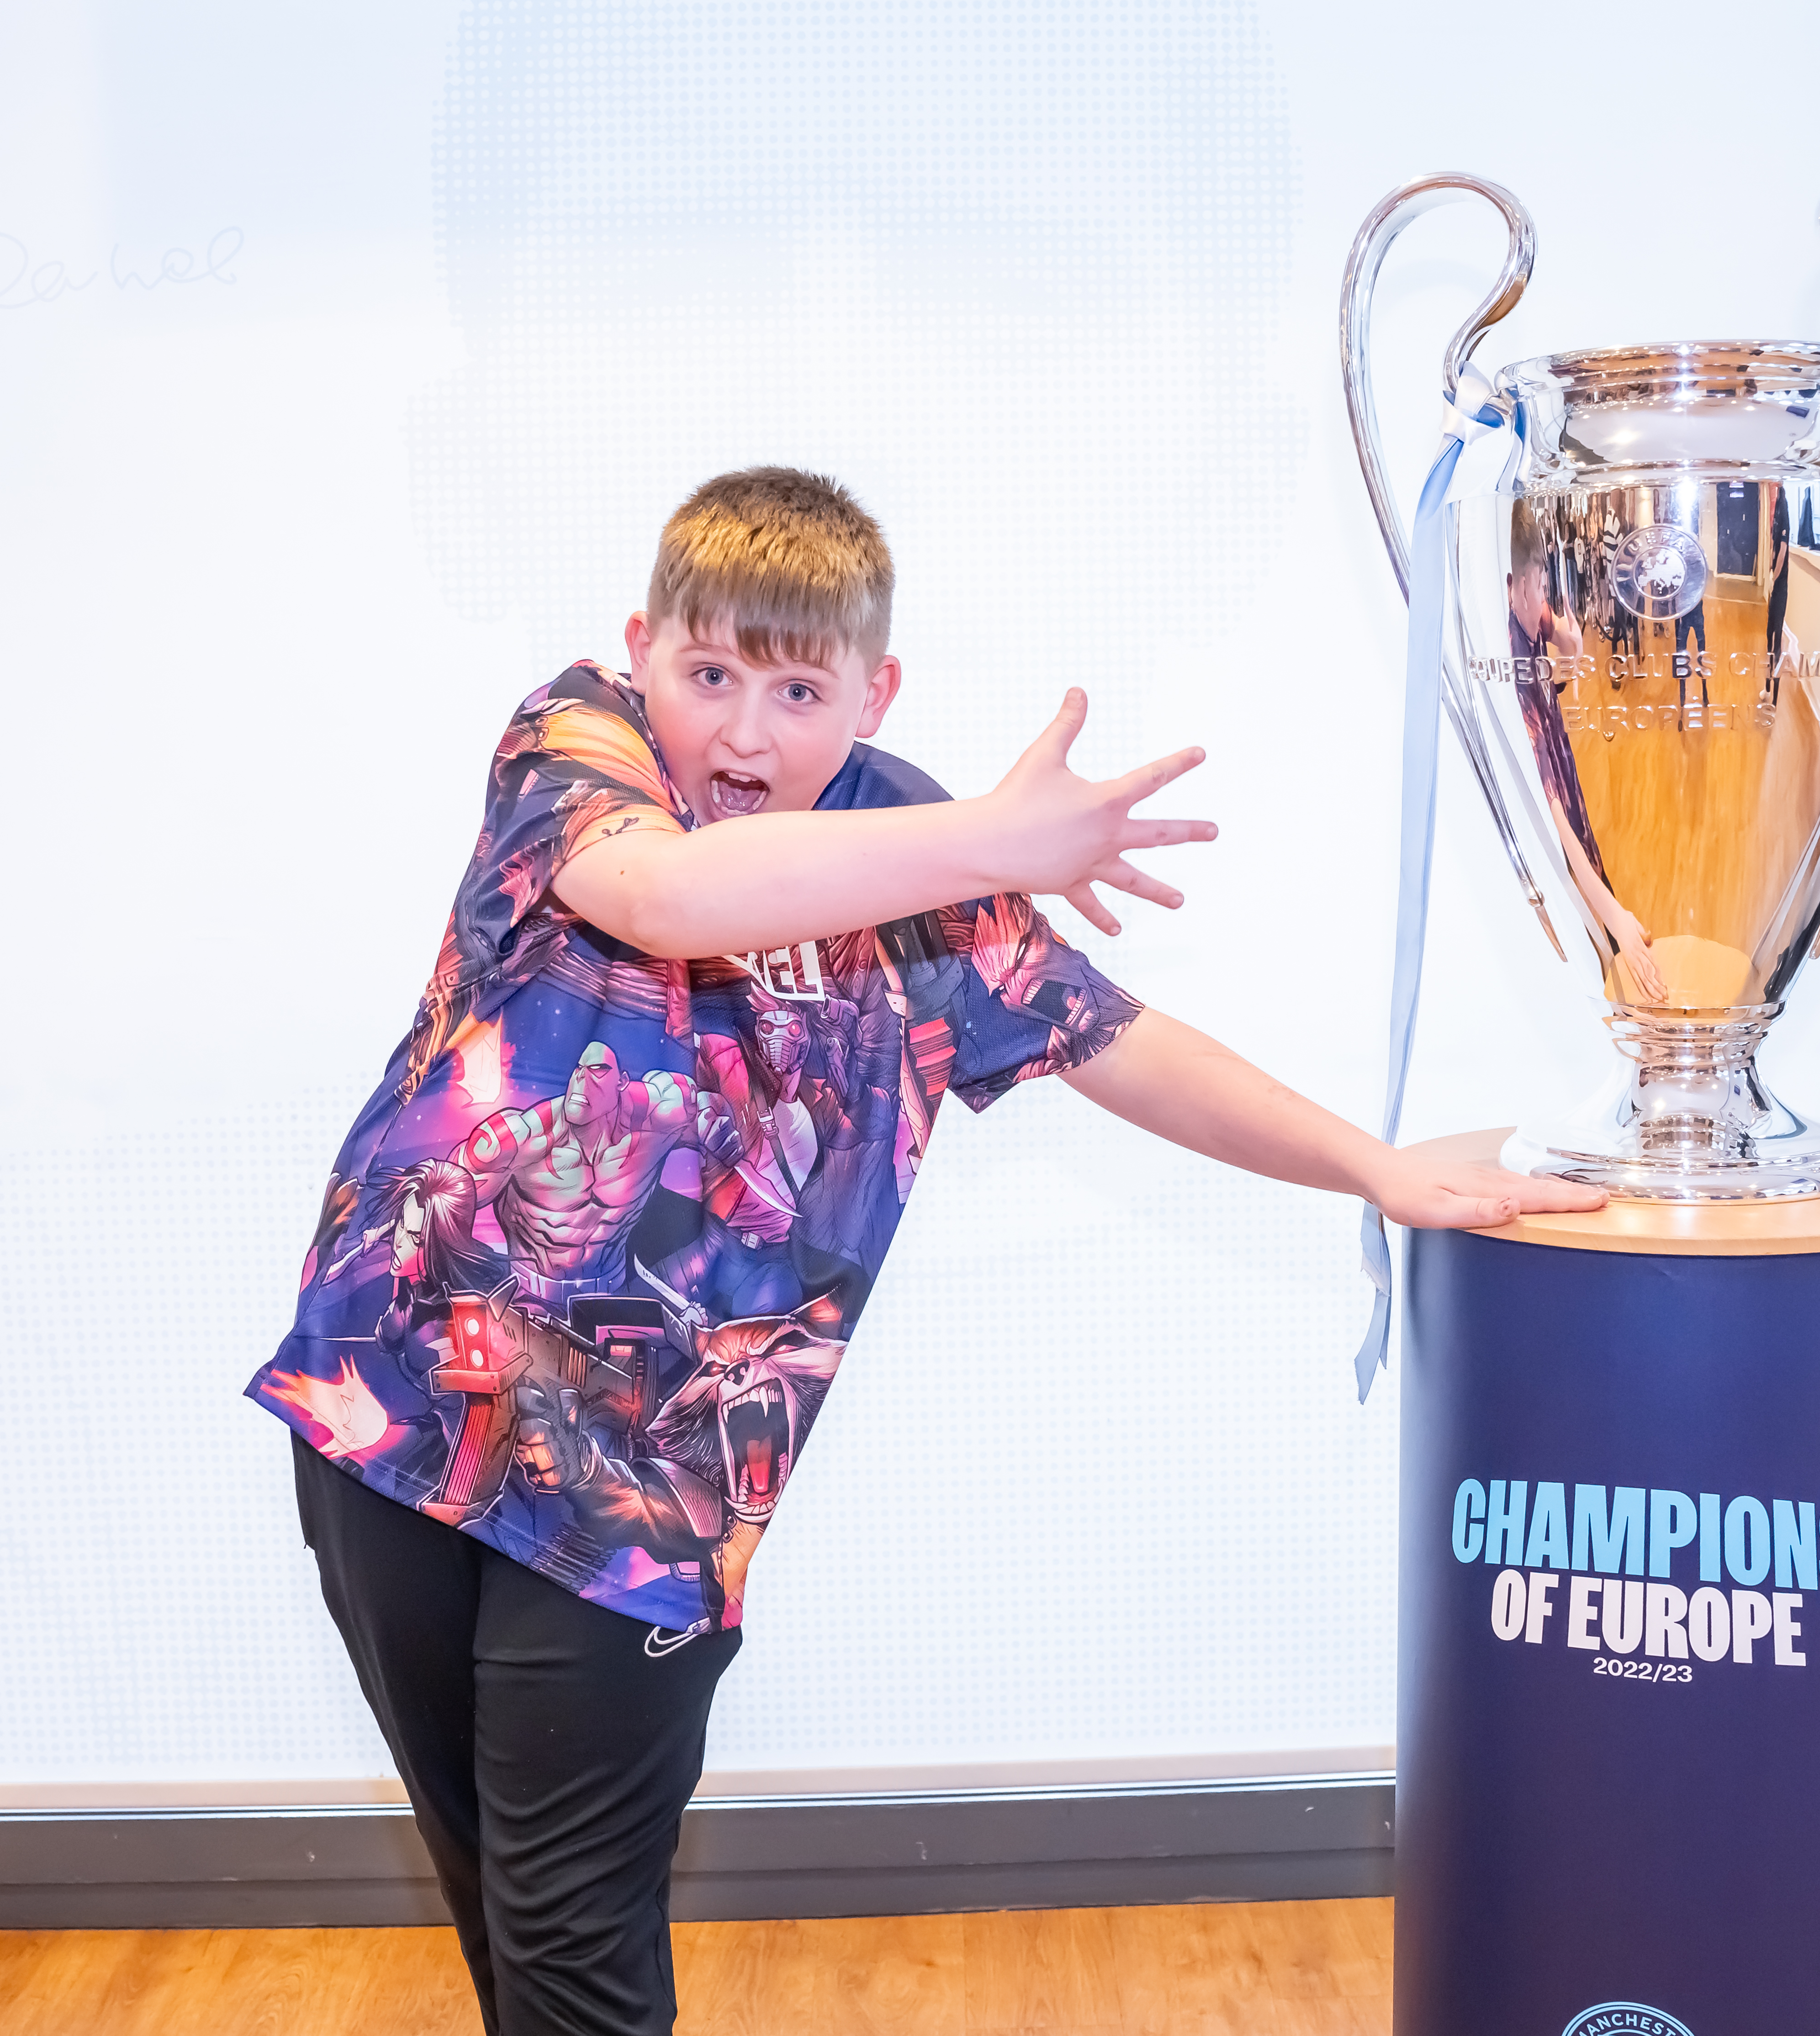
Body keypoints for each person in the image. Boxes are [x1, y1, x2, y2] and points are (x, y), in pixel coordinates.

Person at [248, 466, 1600, 2035]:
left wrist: (1376, 1171)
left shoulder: (923, 862)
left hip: (640, 1494)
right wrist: (990, 840)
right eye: (711, 677)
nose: (745, 732)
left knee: (573, 1951)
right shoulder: (577, 744)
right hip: (391, 1401)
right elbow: (669, 897)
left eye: (799, 690)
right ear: (643, 649)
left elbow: (1123, 1045)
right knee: (503, 1920)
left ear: (874, 690)